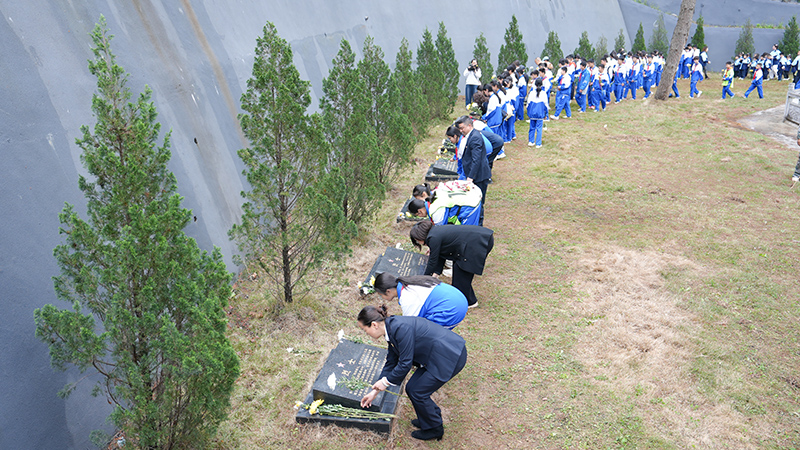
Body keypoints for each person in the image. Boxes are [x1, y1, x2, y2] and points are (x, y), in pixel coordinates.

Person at [358, 305, 468, 441]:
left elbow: (405, 363)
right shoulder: (391, 328)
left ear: (374, 325)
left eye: (364, 329)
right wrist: (375, 391)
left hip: (449, 356)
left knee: (418, 391)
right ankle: (430, 417)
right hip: (435, 355)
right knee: (412, 388)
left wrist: (385, 382)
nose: (365, 333)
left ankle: (435, 429)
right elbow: (392, 361)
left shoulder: (400, 329)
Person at [409, 221, 494, 307]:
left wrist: (423, 280)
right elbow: (441, 257)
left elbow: (432, 261)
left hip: (479, 242)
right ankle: (470, 300)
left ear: (419, 237)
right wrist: (435, 274)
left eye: (416, 241)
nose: (418, 243)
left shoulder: (433, 238)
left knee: (461, 275)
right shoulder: (435, 232)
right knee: (459, 273)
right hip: (479, 238)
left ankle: (467, 302)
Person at [373, 273, 468, 329]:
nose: (382, 299)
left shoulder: (407, 298)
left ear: (388, 291)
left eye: (381, 295)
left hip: (453, 309)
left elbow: (411, 327)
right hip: (457, 297)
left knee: (427, 334)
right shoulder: (409, 281)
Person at [454, 116, 492, 225]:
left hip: (479, 176)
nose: (461, 131)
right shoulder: (469, 135)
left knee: (478, 202)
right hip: (474, 174)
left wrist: (470, 177)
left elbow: (477, 160)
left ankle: (479, 225)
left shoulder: (475, 138)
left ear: (469, 125)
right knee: (474, 201)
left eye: (462, 128)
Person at [407, 179, 482, 226]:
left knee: (469, 235)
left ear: (420, 211)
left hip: (471, 203)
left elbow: (442, 233)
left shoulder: (436, 212)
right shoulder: (434, 194)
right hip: (472, 193)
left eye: (418, 215)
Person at [526, 78, 548, 147]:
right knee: (539, 128)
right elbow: (546, 105)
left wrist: (528, 113)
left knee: (532, 127)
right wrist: (546, 114)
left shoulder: (532, 93)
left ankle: (531, 141)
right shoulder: (544, 93)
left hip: (532, 113)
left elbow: (528, 104)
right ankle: (538, 143)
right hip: (540, 113)